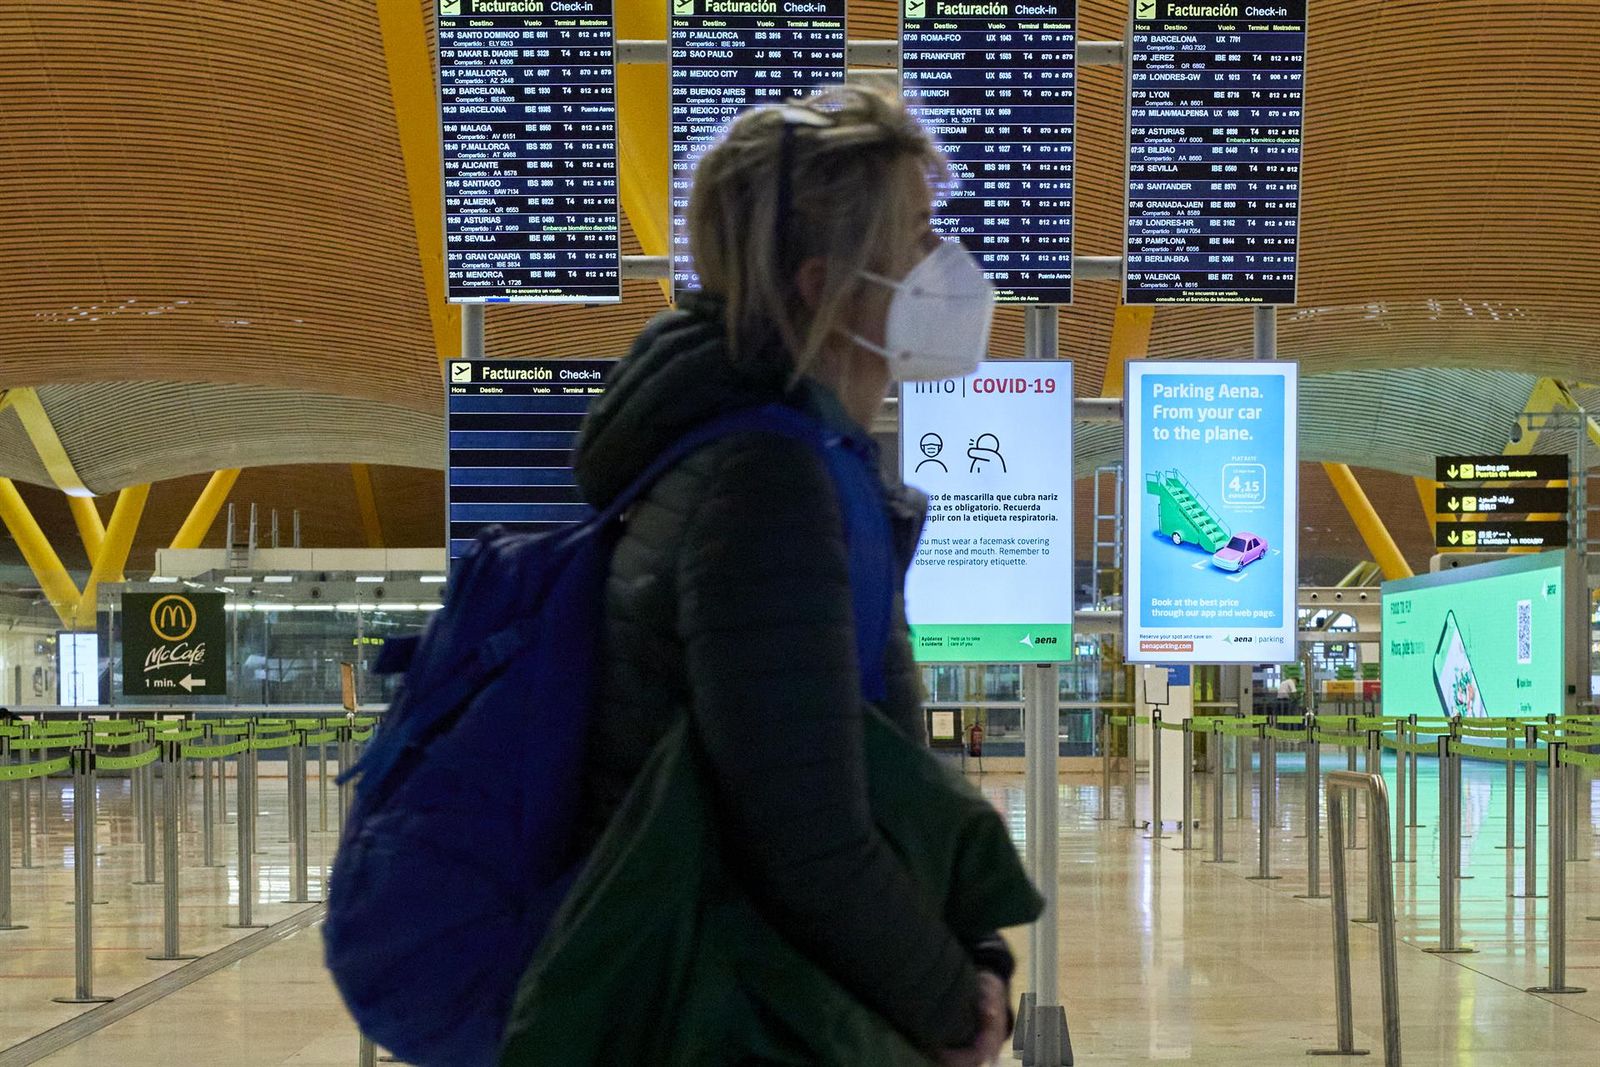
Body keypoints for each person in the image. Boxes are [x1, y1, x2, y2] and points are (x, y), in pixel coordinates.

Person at [569, 86, 1012, 1064]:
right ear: (825, 282)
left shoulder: (797, 456)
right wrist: (951, 1001)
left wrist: (966, 935)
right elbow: (799, 830)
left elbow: (858, 759)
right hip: (731, 1013)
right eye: (915, 236)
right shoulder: (764, 481)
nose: (942, 266)